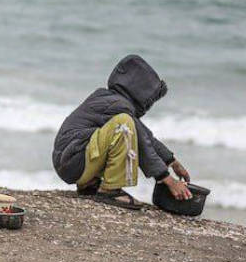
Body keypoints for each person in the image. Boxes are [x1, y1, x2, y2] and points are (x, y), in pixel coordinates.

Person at [52, 55, 192, 209]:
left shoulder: (112, 99)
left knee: (126, 125)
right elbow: (143, 143)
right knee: (124, 125)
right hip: (73, 161)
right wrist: (167, 179)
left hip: (70, 162)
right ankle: (111, 190)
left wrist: (172, 162)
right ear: (141, 93)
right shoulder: (119, 105)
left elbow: (146, 136)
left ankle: (89, 184)